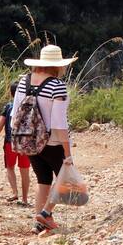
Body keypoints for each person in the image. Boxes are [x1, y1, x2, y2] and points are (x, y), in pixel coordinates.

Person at [10, 43, 76, 232]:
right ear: (58, 65)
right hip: (53, 142)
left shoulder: (24, 81)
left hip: (29, 140)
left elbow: (15, 113)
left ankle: (39, 225)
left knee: (43, 180)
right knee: (65, 178)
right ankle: (45, 214)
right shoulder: (57, 86)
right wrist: (67, 151)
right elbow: (59, 123)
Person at [0, 83, 30, 205]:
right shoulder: (30, 107)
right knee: (25, 171)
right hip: (25, 143)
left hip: (10, 142)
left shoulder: (9, 107)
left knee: (10, 167)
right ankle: (25, 199)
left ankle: (15, 192)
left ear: (11, 93)